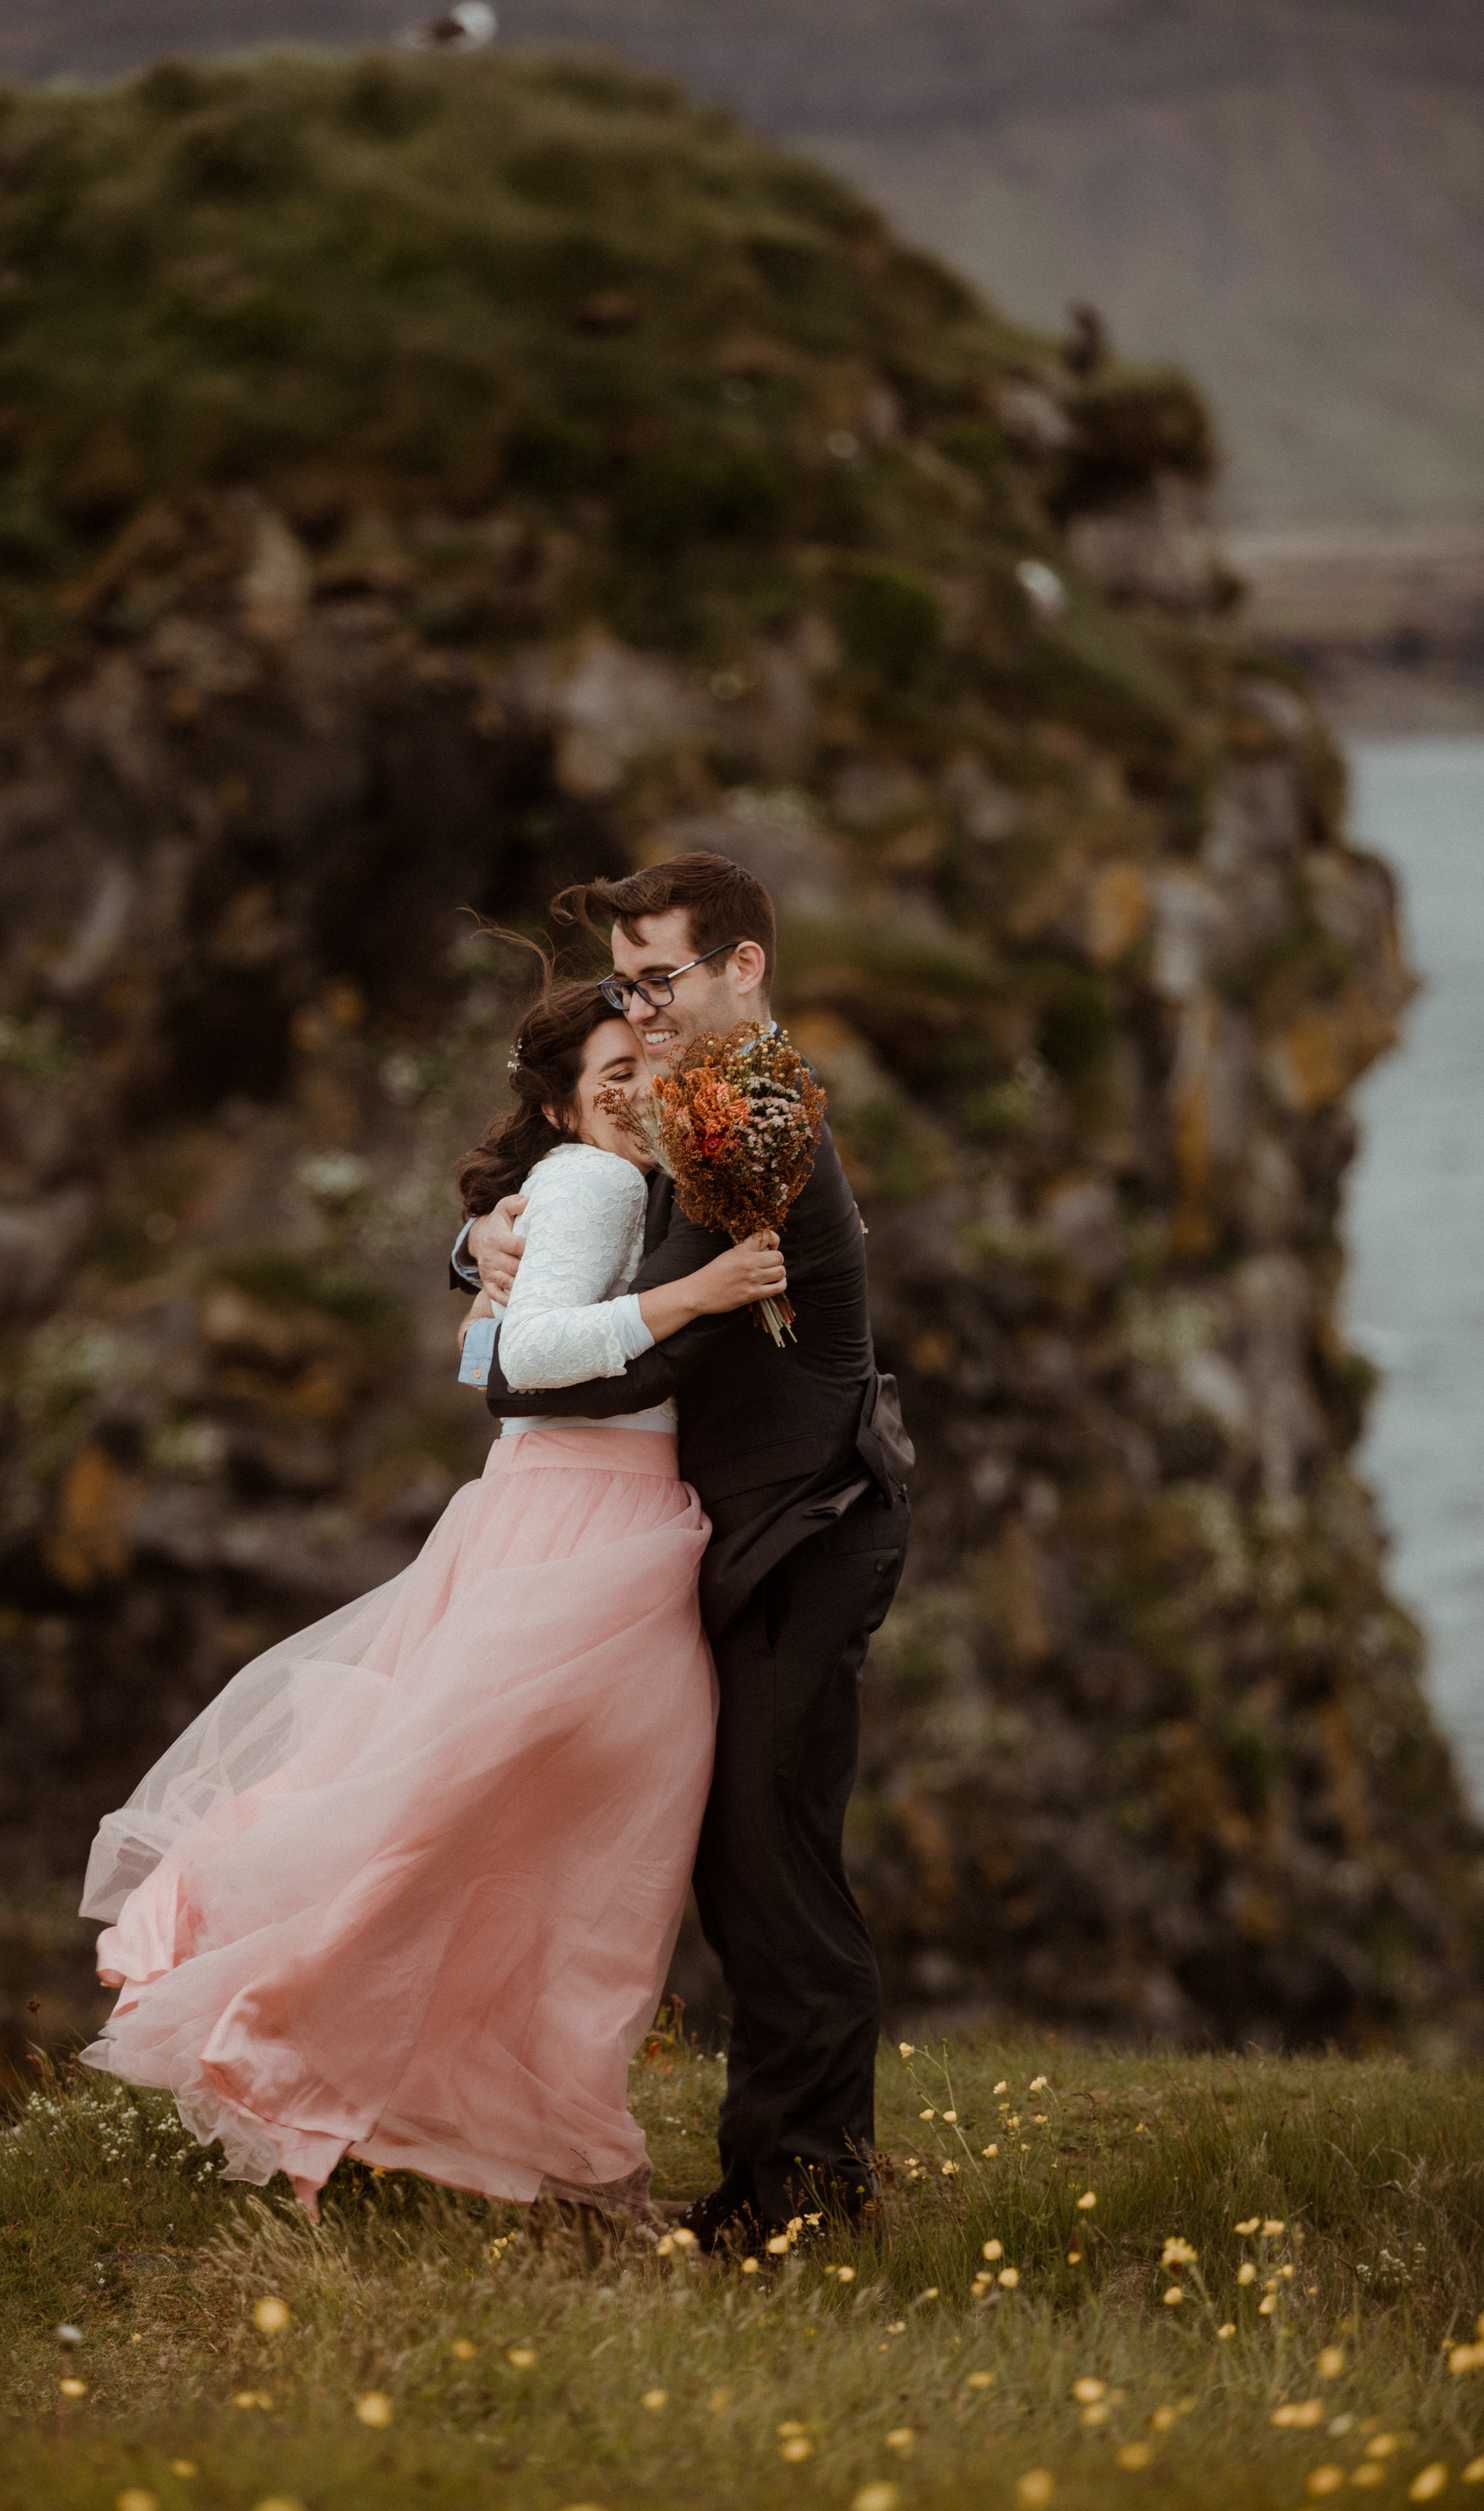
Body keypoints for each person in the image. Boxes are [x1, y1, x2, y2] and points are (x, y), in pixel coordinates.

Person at [78, 976, 784, 2222]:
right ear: (565, 1105)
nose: (632, 1090)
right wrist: (697, 1294)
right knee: (526, 1835)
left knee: (530, 1830)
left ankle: (544, 2147)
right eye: (606, 1075)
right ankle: (307, 2049)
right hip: (581, 1524)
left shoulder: (613, 1181)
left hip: (582, 1519)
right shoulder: (596, 1182)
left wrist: (483, 1256)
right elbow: (515, 1364)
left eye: (643, 1066)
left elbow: (480, 1349)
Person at [457, 851, 914, 2250]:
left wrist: (506, 1349)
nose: (639, 1008)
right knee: (741, 1868)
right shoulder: (701, 1099)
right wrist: (480, 1238)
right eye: (624, 982)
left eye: (659, 980)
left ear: (741, 971)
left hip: (800, 1537)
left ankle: (804, 2203)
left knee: (771, 1875)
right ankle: (777, 2187)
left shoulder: (755, 1121)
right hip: (742, 1538)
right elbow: (589, 1197)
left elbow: (598, 1364)